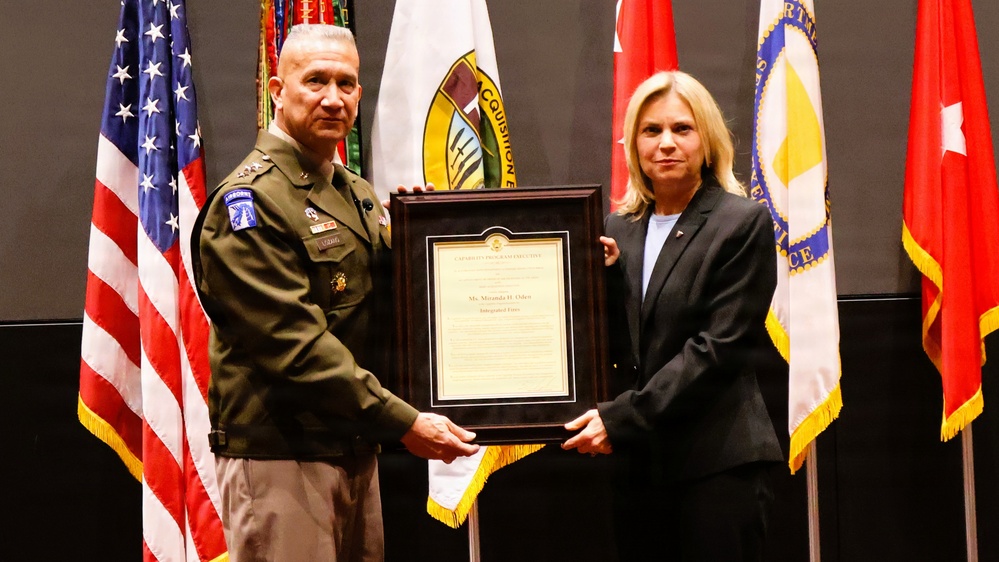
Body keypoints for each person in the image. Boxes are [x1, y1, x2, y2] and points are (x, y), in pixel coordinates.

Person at [191, 24, 479, 562]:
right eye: (315, 81)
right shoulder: (249, 205)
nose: (332, 98)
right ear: (277, 90)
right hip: (283, 458)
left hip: (350, 448)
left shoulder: (353, 192)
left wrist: (425, 230)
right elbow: (296, 350)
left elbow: (390, 306)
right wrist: (406, 422)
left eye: (346, 84)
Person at [563, 71, 783, 561]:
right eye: (651, 130)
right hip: (641, 471)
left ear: (707, 140)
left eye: (682, 129)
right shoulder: (617, 228)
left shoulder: (741, 222)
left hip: (717, 467)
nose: (666, 143)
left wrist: (619, 419)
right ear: (633, 144)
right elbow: (611, 342)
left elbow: (717, 350)